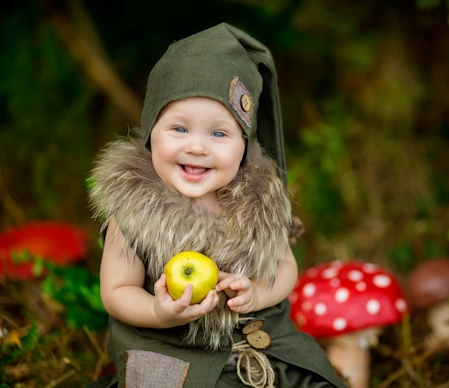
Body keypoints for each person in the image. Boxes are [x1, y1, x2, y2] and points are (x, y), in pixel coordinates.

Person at [88, 23, 348, 388]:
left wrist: (258, 292)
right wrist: (159, 311)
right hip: (176, 349)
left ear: (244, 145)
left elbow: (285, 268)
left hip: (264, 346)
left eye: (219, 134)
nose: (197, 147)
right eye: (179, 129)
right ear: (151, 133)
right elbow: (116, 292)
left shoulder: (260, 200)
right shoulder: (135, 211)